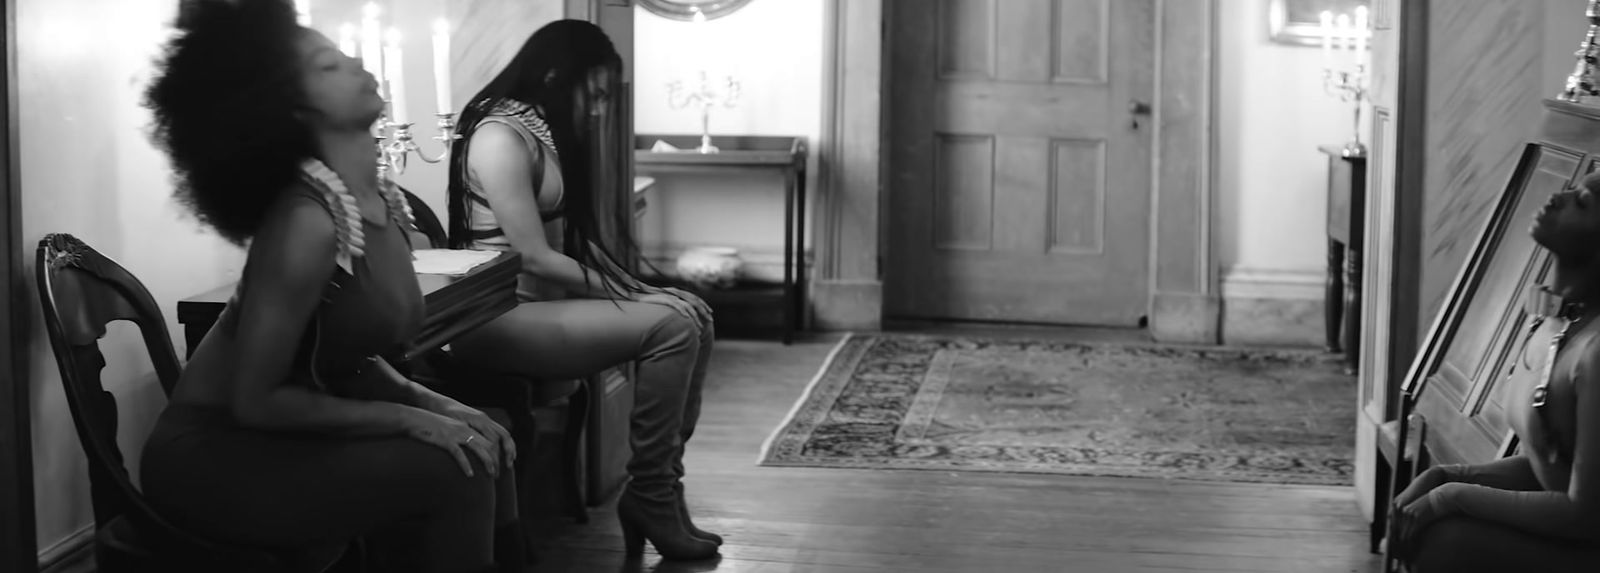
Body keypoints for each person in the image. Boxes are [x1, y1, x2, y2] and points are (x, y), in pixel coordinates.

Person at [139, 2, 519, 572]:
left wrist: (438, 404)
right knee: (452, 466)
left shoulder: (375, 203)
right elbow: (256, 399)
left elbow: (347, 363)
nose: (356, 62)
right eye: (328, 66)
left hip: (281, 438)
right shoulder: (305, 221)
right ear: (294, 106)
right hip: (214, 457)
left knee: (488, 442)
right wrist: (410, 419)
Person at [445, 19, 720, 561]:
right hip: (496, 315)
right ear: (553, 75)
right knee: (671, 323)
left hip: (538, 307)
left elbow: (572, 242)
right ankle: (652, 495)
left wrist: (645, 289)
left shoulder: (540, 132)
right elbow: (537, 256)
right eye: (592, 94)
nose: (597, 110)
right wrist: (641, 300)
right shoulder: (500, 135)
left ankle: (659, 490)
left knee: (694, 312)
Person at [1388, 172, 1600, 571]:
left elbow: (1585, 514)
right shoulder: (1557, 319)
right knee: (1426, 507)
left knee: (1445, 541)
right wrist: (1448, 476)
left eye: (1583, 202)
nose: (1560, 195)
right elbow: (1550, 466)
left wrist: (1453, 496)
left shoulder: (1595, 352)